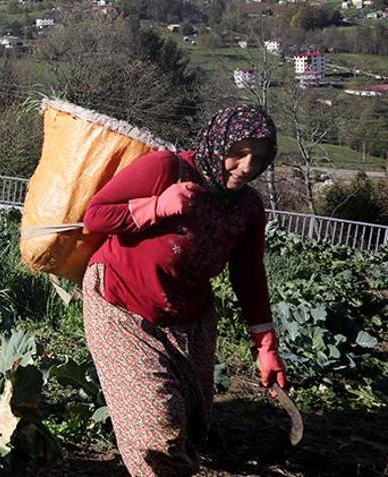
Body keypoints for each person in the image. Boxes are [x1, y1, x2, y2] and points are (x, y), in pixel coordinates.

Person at [81, 105, 288, 476]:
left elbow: (249, 275)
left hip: (188, 315)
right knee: (158, 426)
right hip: (121, 303)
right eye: (237, 152)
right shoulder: (166, 169)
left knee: (193, 421)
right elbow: (95, 214)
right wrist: (157, 206)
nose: (245, 167)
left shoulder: (248, 208)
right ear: (217, 141)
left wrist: (266, 346)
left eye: (258, 158)